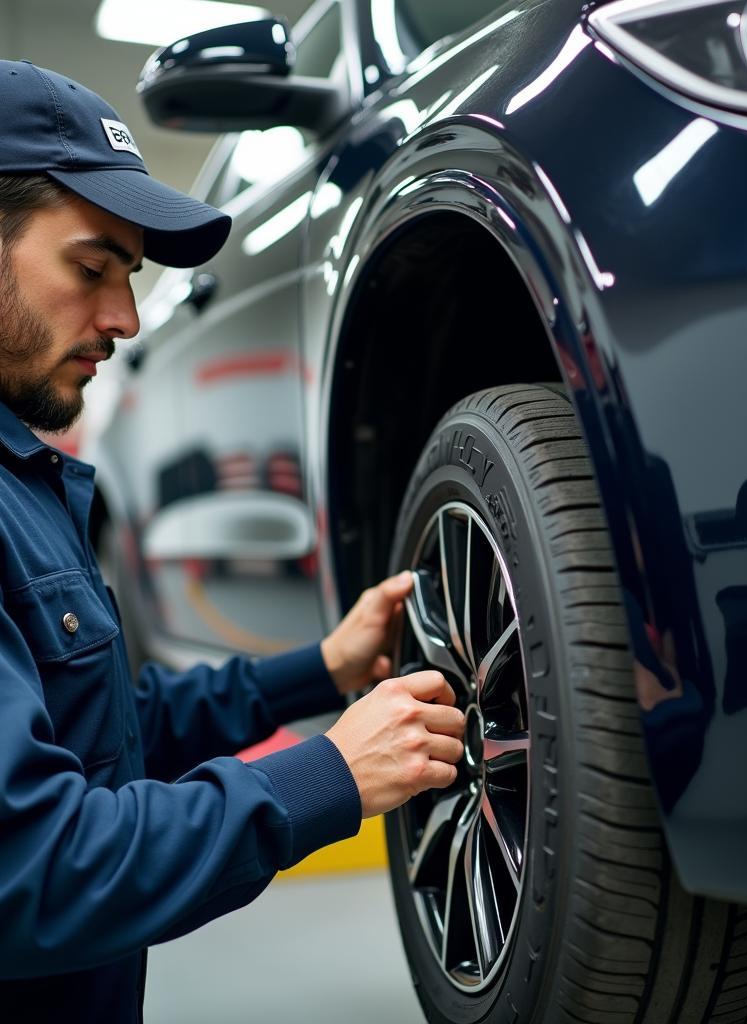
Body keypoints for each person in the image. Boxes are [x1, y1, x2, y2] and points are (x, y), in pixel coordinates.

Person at [0, 60, 465, 1022]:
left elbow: (108, 735)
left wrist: (320, 670)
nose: (127, 320)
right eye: (91, 270)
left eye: (129, 279)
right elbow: (33, 870)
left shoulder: (26, 482)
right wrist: (325, 776)